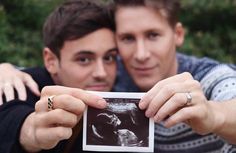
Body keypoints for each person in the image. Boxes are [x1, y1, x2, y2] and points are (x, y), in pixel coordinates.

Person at [1, 0, 236, 152]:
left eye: (153, 35)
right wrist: (5, 71)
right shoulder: (114, 75)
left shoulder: (210, 77)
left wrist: (213, 114)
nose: (141, 55)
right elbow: (23, 98)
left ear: (177, 34)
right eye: (127, 39)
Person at [0, 0, 120, 152]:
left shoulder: (123, 90)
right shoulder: (16, 87)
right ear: (51, 60)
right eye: (84, 59)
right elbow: (10, 117)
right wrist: (31, 131)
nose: (101, 73)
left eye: (109, 57)